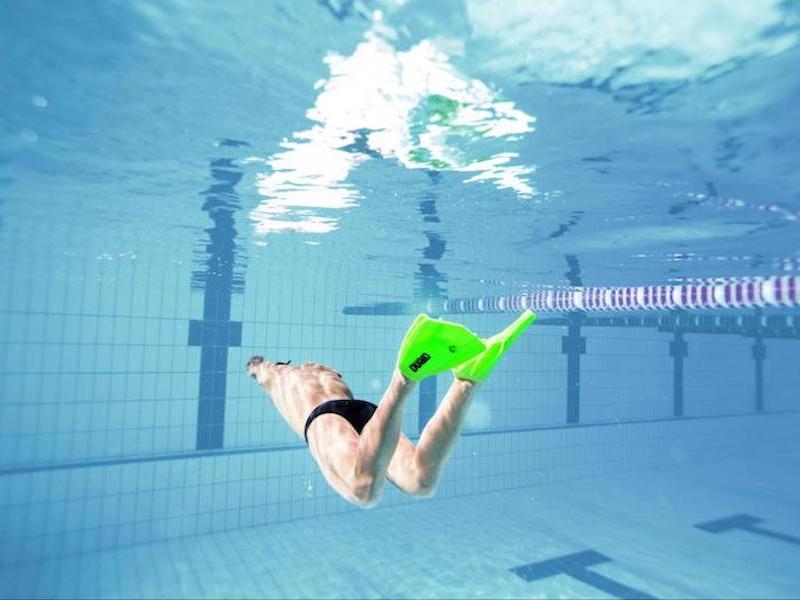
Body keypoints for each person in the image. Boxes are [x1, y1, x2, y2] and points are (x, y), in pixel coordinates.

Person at [246, 310, 535, 508]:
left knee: (364, 491)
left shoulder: (282, 376)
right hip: (369, 414)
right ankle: (466, 381)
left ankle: (404, 380)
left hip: (325, 419)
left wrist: (258, 368)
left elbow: (259, 369)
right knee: (421, 481)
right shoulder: (323, 370)